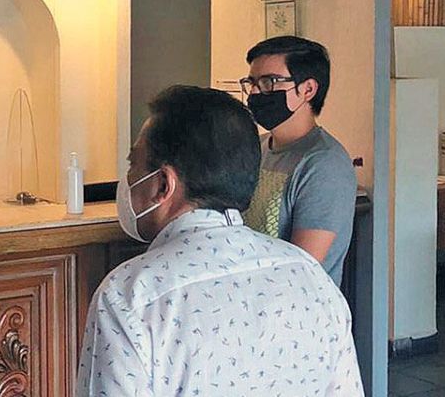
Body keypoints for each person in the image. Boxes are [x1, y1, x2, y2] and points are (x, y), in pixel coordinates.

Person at [76, 86, 362, 396]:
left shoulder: (130, 296)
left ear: (163, 185)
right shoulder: (312, 278)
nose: (129, 179)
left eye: (133, 165)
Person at [240, 36, 357, 285]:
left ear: (307, 90)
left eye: (269, 82)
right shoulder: (254, 148)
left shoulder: (324, 164)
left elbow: (302, 266)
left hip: (293, 303)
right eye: (252, 83)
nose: (256, 93)